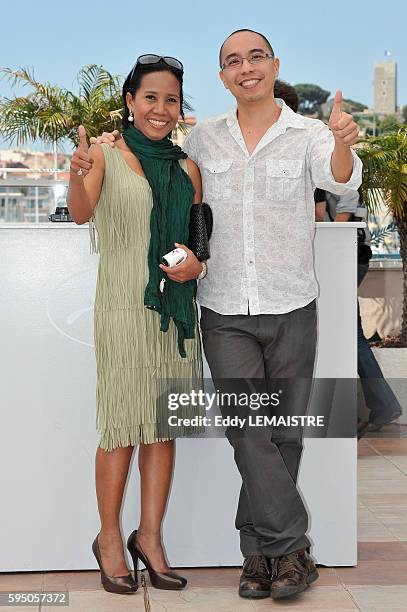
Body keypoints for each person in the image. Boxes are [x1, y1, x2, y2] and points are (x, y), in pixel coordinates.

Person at [93, 29, 362, 601]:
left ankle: (260, 559)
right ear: (222, 77)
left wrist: (341, 141)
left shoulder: (309, 133)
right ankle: (293, 547)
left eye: (255, 57)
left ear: (273, 65)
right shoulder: (204, 140)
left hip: (293, 303)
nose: (246, 68)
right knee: (248, 432)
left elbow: (340, 177)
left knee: (285, 435)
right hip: (223, 309)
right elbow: (160, 176)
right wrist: (104, 150)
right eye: (233, 61)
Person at [67, 54, 205, 596]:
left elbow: (197, 243)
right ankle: (107, 539)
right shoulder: (103, 153)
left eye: (171, 99)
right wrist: (76, 176)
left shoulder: (186, 168)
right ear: (130, 100)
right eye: (151, 96)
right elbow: (82, 213)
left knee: (163, 428)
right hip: (124, 310)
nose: (161, 108)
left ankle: (149, 537)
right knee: (122, 426)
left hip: (174, 315)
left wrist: (196, 262)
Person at [314, 188, 402, 436]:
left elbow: (327, 219)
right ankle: (381, 405)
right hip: (349, 257)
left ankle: (357, 412)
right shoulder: (342, 168)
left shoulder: (333, 168)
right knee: (351, 335)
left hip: (339, 258)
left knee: (342, 335)